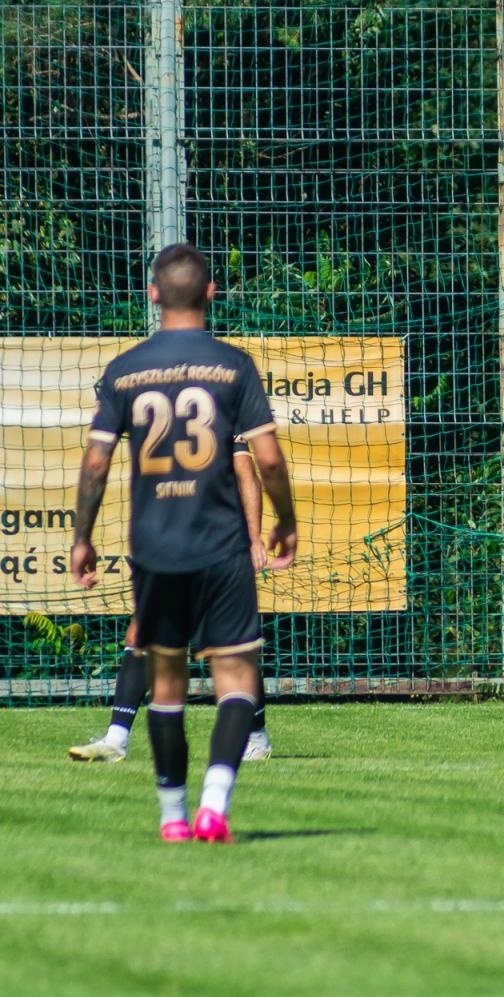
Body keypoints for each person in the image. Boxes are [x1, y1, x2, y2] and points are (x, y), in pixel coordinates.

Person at [70, 242, 298, 843]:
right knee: (236, 678)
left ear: (152, 294)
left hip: (155, 549)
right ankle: (214, 806)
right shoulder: (232, 366)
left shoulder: (124, 369)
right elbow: (266, 461)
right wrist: (285, 520)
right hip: (221, 547)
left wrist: (81, 537)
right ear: (211, 293)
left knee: (165, 685)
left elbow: (95, 465)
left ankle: (172, 817)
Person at [69, 443, 274, 763]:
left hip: (220, 541)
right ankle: (116, 739)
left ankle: (255, 735)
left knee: (230, 644)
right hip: (170, 539)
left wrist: (254, 537)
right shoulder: (154, 412)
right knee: (141, 631)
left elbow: (247, 471)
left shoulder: (219, 402)